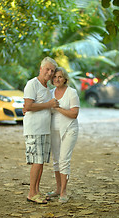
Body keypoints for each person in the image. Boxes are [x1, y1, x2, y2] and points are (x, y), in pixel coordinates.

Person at [23, 56, 59, 204]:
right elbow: (29, 106)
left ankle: (37, 191)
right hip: (34, 129)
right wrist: (48, 104)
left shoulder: (47, 89)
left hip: (45, 130)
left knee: (41, 162)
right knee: (36, 162)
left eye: (52, 71)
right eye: (47, 69)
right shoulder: (32, 84)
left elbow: (46, 107)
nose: (50, 73)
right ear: (41, 69)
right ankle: (31, 193)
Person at [47, 67, 80, 203]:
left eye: (60, 77)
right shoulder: (50, 93)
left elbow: (74, 114)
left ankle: (64, 192)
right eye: (54, 77)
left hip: (69, 130)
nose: (57, 79)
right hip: (54, 130)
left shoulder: (71, 93)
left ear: (65, 78)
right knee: (56, 161)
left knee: (64, 160)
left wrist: (58, 108)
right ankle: (58, 188)